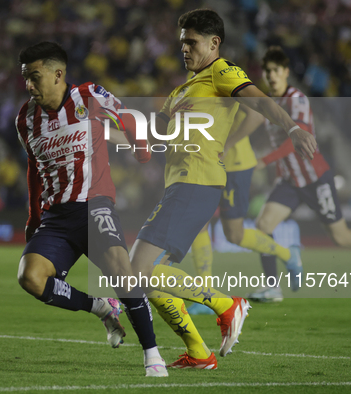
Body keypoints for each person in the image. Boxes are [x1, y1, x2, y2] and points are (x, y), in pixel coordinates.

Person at [128, 9, 318, 370]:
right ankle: (200, 353)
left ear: (214, 43)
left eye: (192, 42)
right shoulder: (181, 90)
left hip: (197, 183)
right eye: (182, 41)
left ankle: (226, 304)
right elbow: (153, 138)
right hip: (180, 187)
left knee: (135, 269)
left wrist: (292, 128)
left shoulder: (221, 71)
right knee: (147, 278)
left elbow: (257, 101)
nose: (184, 48)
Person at [14, 41, 168, 377]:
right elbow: (34, 170)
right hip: (56, 218)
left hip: (94, 204)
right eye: (25, 78)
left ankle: (152, 354)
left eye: (34, 77)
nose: (28, 85)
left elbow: (128, 116)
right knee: (30, 277)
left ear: (58, 74)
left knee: (122, 273)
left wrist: (142, 151)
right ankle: (100, 307)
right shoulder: (25, 119)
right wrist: (33, 218)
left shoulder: (89, 96)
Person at [243, 46, 351, 302]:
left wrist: (264, 161)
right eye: (267, 71)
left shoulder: (296, 98)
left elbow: (295, 139)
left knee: (341, 236)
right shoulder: (269, 103)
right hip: (289, 180)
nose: (271, 76)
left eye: (276, 70)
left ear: (286, 72)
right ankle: (273, 287)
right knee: (263, 225)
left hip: (315, 178)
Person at [187, 104, 302, 315]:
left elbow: (256, 116)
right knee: (198, 223)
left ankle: (288, 255)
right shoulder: (192, 77)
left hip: (235, 165)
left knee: (234, 235)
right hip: (209, 162)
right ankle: (205, 294)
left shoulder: (223, 75)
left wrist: (228, 144)